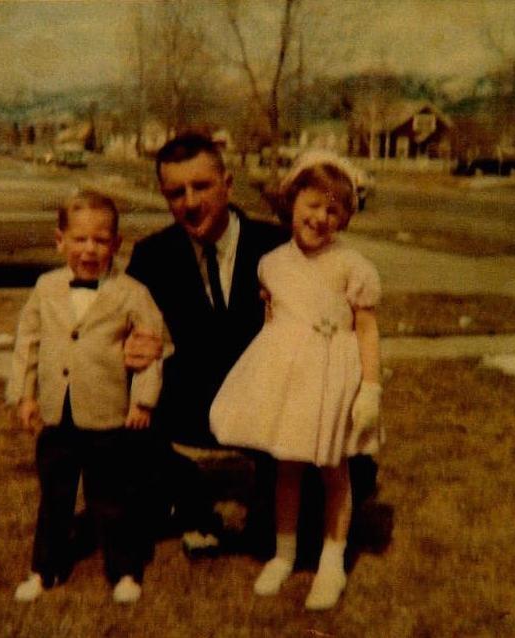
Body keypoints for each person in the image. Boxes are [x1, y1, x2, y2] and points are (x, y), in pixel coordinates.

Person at [125, 133, 379, 561]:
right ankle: (187, 492)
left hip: (278, 390)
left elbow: (347, 327)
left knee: (348, 479)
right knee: (113, 400)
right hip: (198, 391)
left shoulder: (283, 245)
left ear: (227, 183)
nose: (189, 202)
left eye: (201, 186)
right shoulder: (152, 255)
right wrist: (128, 348)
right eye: (175, 192)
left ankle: (277, 491)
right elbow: (115, 325)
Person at [210, 150, 383, 611]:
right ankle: (283, 552)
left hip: (333, 378)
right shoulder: (271, 264)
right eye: (313, 205)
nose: (321, 217)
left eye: (334, 210)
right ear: (292, 202)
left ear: (346, 216)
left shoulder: (352, 266)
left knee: (334, 470)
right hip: (290, 379)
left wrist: (371, 388)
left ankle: (332, 561)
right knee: (286, 466)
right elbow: (273, 320)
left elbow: (366, 329)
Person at [8, 191, 164, 604]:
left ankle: (125, 570)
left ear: (116, 243)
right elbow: (29, 344)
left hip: (107, 416)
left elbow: (153, 346)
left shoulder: (131, 292)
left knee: (112, 500)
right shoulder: (45, 288)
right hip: (57, 416)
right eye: (79, 239)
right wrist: (24, 397)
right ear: (60, 240)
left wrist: (142, 401)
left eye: (100, 240)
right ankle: (45, 568)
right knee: (54, 499)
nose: (89, 249)